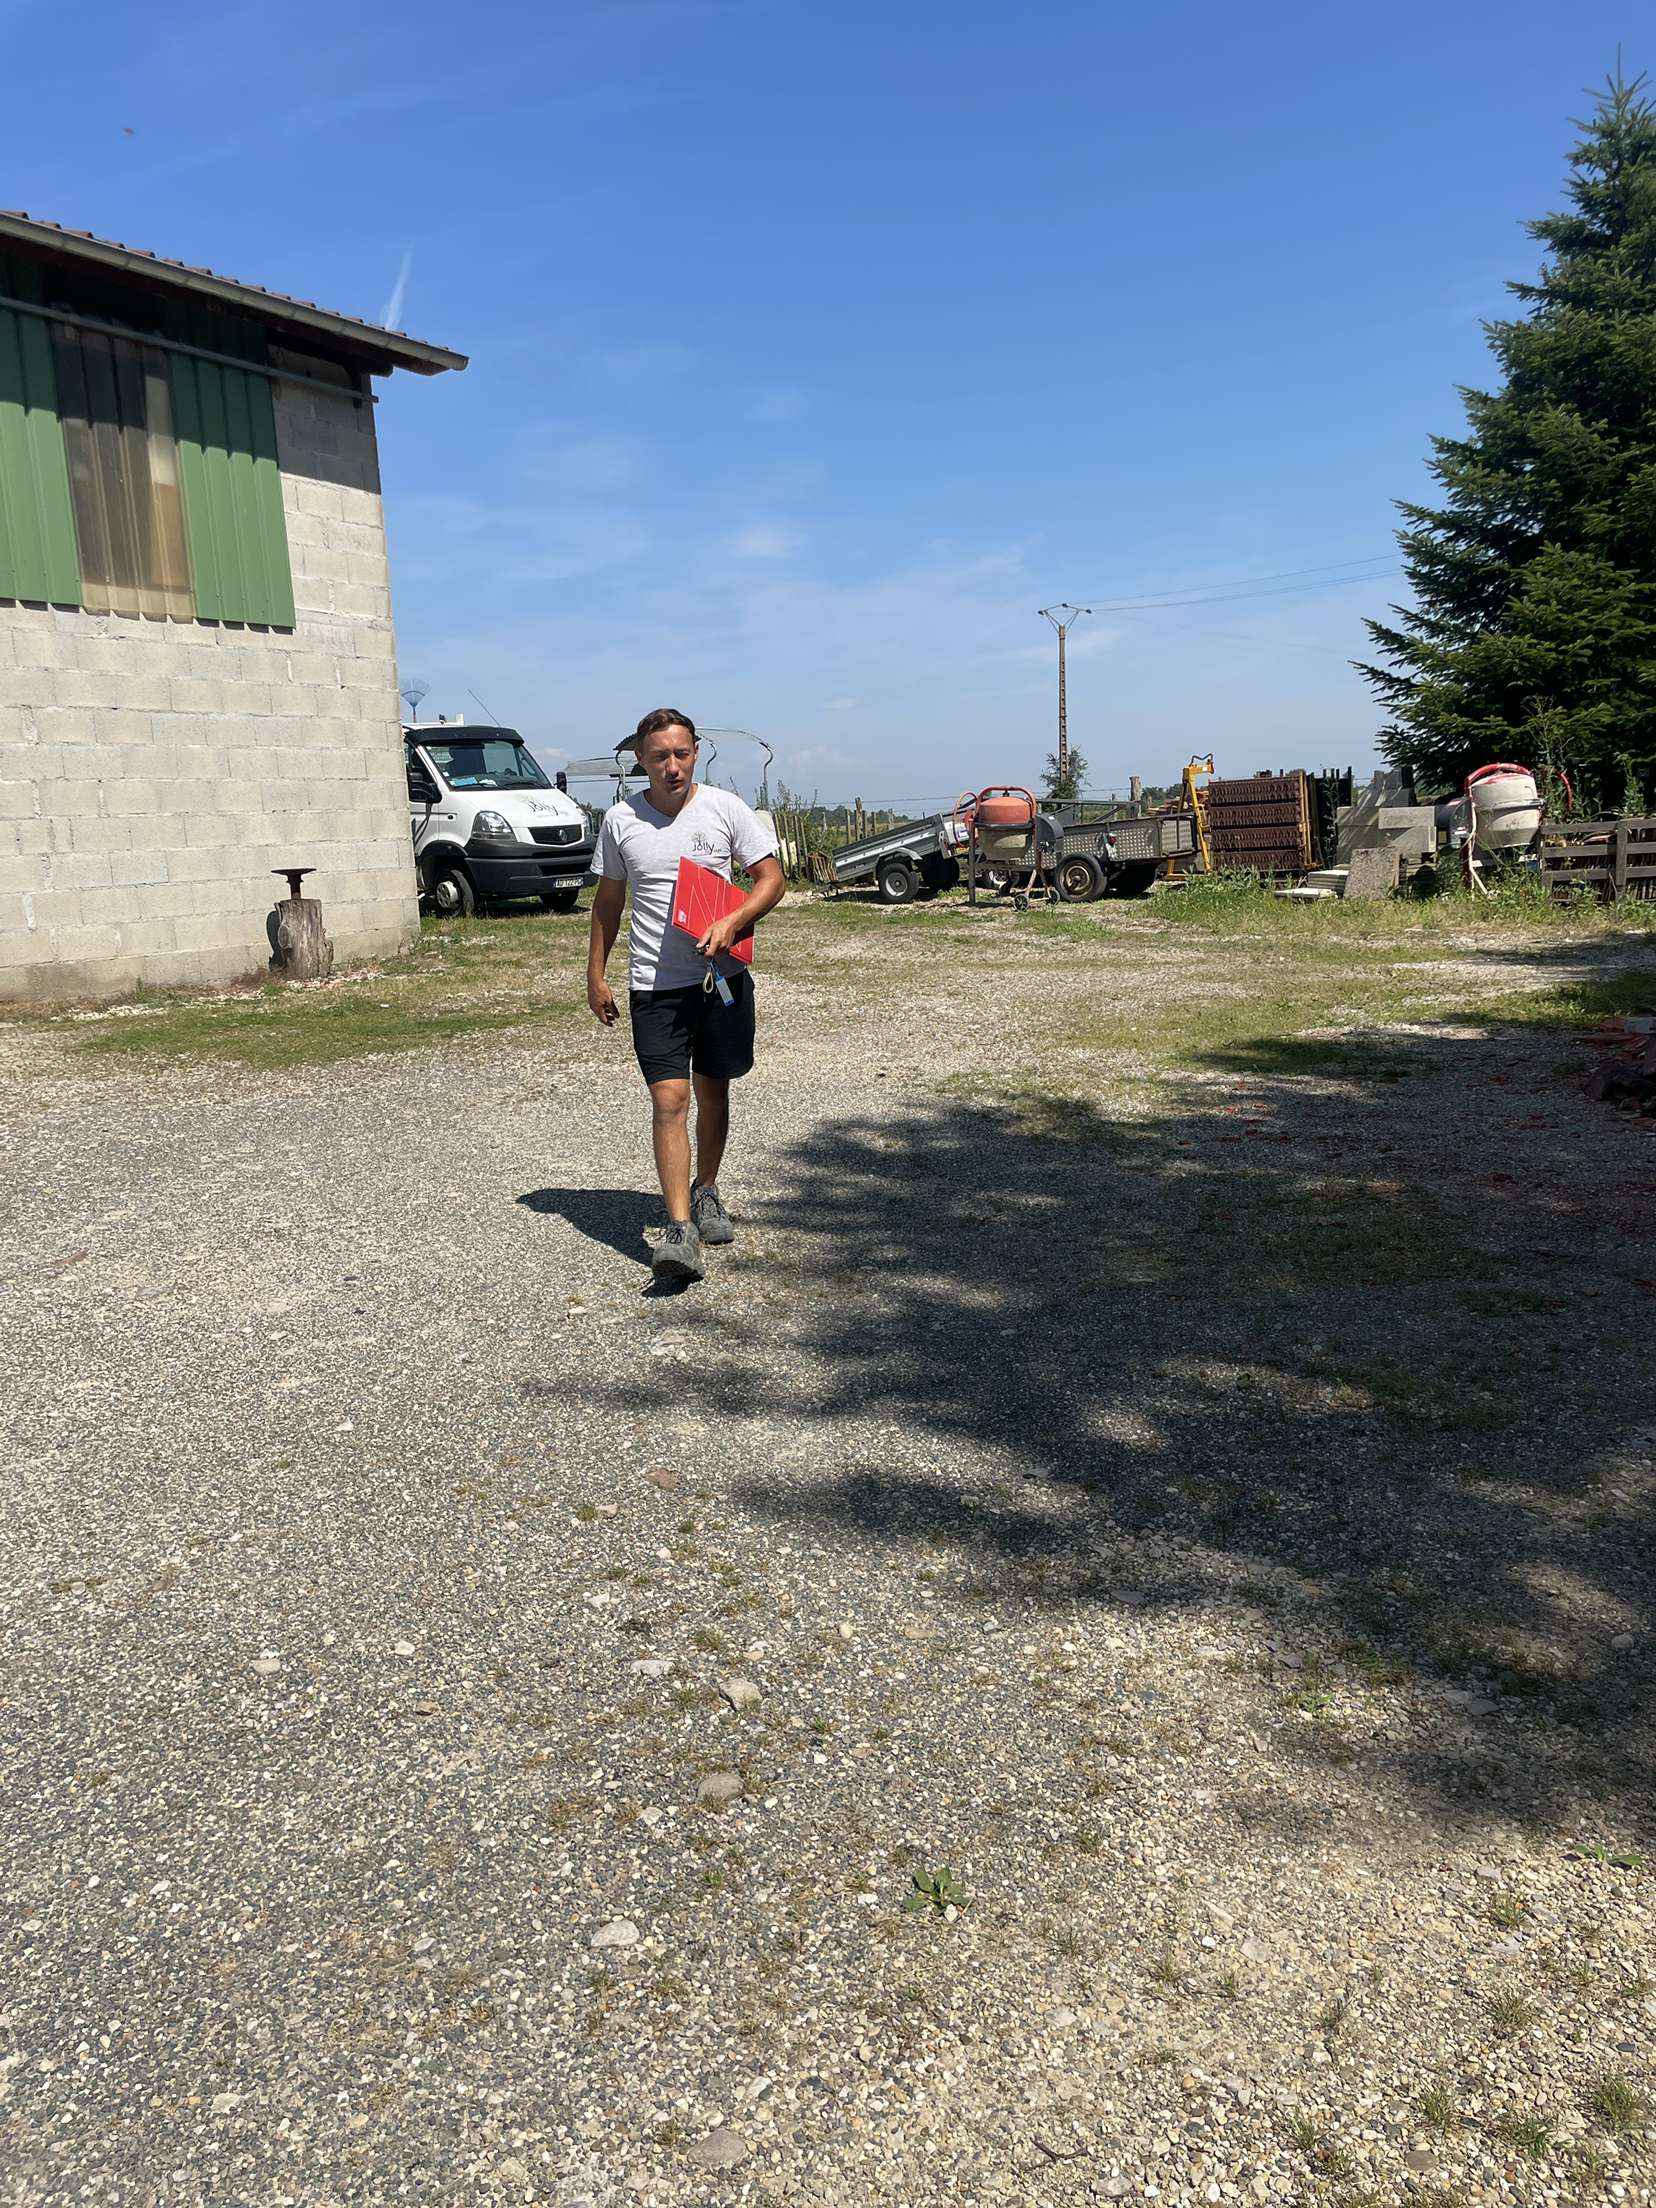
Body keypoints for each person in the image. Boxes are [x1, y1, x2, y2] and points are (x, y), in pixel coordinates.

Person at [587, 708, 787, 1283]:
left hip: (719, 977)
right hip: (655, 984)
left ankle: (706, 1189)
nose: (671, 766)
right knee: (669, 1099)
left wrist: (735, 919)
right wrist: (596, 973)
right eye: (658, 757)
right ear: (641, 760)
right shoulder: (621, 820)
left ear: (695, 752)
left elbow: (770, 878)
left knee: (713, 1089)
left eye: (680, 753)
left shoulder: (725, 809)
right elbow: (607, 904)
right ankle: (679, 1231)